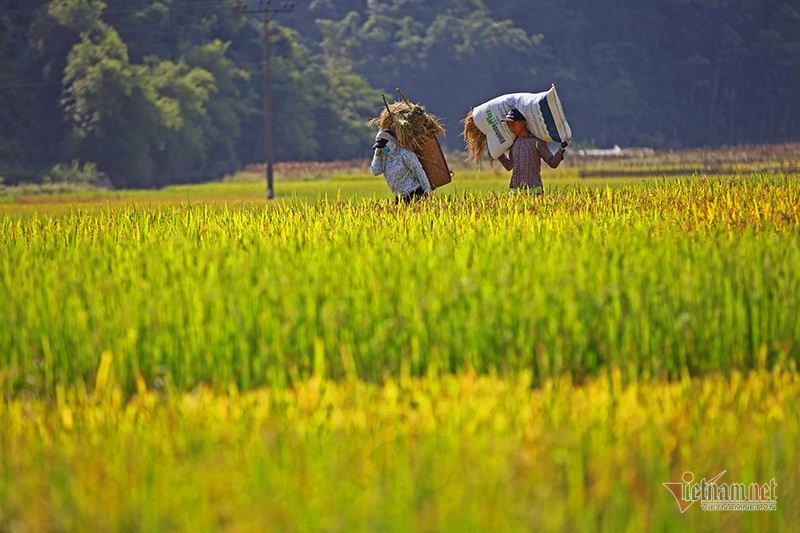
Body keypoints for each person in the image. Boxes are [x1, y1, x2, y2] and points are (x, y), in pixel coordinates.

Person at [497, 108, 569, 196]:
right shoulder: (514, 143)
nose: (511, 128)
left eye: (513, 125)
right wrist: (497, 151)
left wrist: (561, 149)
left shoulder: (536, 142)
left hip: (534, 193)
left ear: (522, 123)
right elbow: (509, 166)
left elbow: (552, 163)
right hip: (515, 193)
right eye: (509, 125)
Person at [370, 129, 433, 204]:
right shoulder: (384, 157)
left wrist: (428, 191)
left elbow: (419, 173)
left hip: (415, 195)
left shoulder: (405, 154)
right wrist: (377, 154)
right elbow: (375, 171)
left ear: (391, 143)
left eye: (384, 146)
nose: (383, 148)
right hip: (399, 198)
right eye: (380, 147)